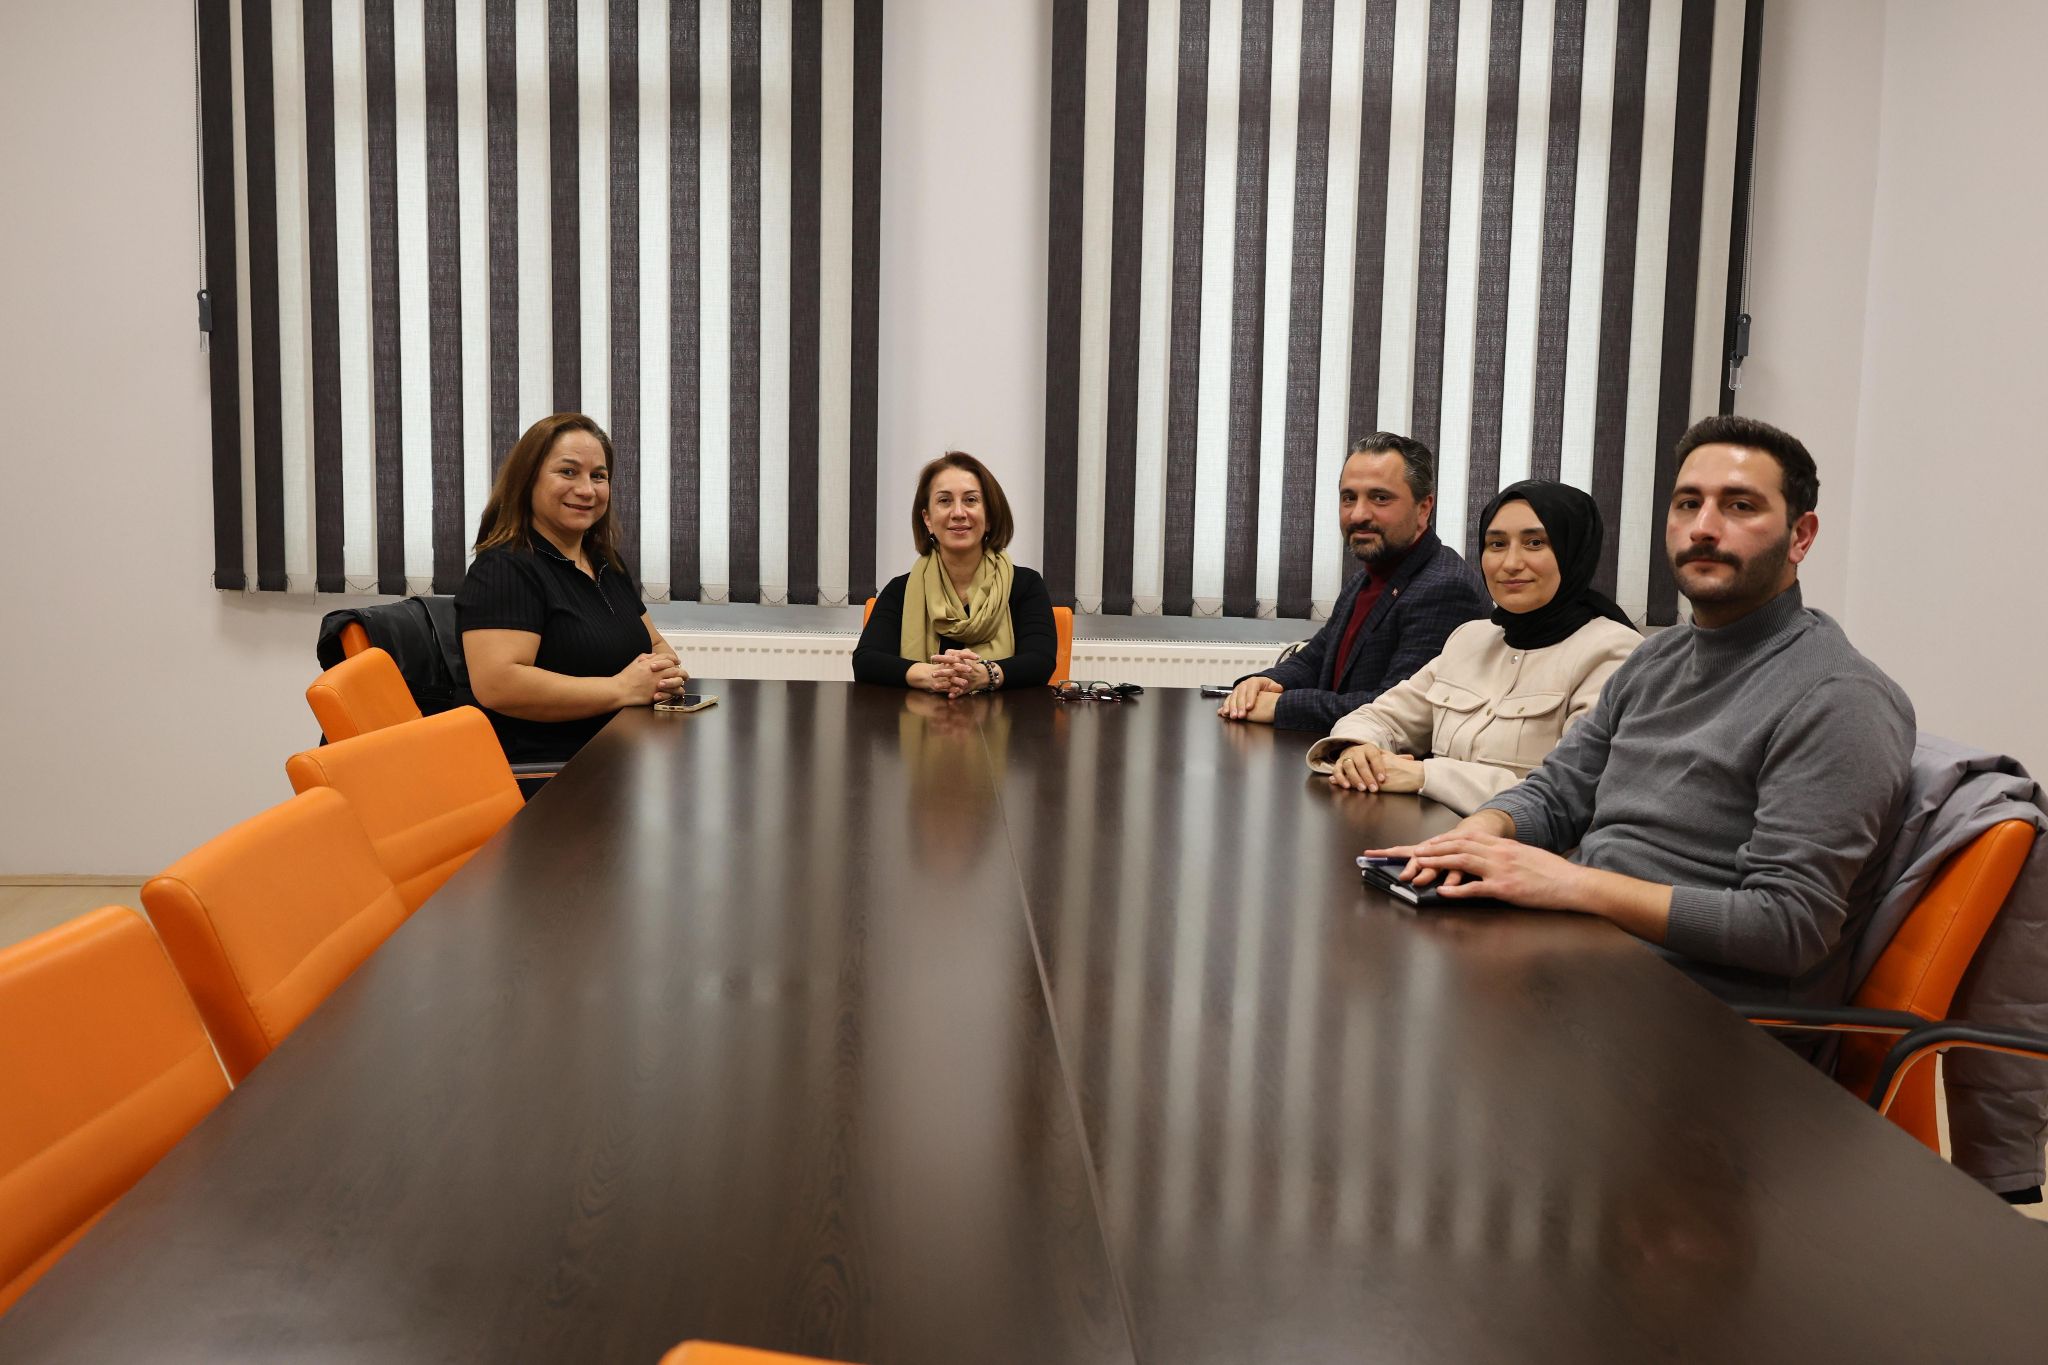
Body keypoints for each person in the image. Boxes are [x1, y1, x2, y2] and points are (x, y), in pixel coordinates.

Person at [1371, 415, 1915, 1012]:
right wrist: (1479, 835)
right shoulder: (1657, 658)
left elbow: (1788, 926)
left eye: (1740, 506)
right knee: (1373, 965)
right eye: (1688, 504)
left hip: (1688, 1012)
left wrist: (1571, 883)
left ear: (1800, 536)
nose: (1703, 528)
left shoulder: (1839, 697)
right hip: (1580, 954)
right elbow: (1558, 793)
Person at [1306, 480, 1642, 815]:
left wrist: (1425, 775)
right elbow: (1379, 716)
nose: (1510, 562)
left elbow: (1570, 792)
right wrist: (1359, 750)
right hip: (1427, 835)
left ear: (1574, 551)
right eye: (1497, 544)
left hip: (1521, 844)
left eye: (1535, 543)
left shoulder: (1615, 653)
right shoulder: (1470, 638)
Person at [457, 413, 688, 766]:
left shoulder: (604, 562)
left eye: (598, 476)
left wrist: (662, 677)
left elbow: (654, 644)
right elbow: (498, 685)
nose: (586, 490)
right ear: (528, 480)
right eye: (568, 472)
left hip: (619, 755)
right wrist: (624, 688)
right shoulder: (504, 568)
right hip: (548, 773)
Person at [1219, 432, 1489, 731]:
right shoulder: (1367, 577)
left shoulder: (1445, 589)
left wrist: (1281, 706)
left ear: (1423, 508)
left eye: (1380, 498)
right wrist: (1265, 682)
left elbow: (1392, 711)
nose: (1358, 514)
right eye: (1349, 498)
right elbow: (1316, 658)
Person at [853, 451, 1058, 695]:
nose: (958, 513)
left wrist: (982, 675)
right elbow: (866, 661)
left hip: (1006, 718)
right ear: (927, 519)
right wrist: (933, 675)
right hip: (919, 717)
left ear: (989, 517)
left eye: (970, 500)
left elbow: (1040, 661)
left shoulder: (1025, 584)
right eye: (945, 501)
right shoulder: (901, 590)